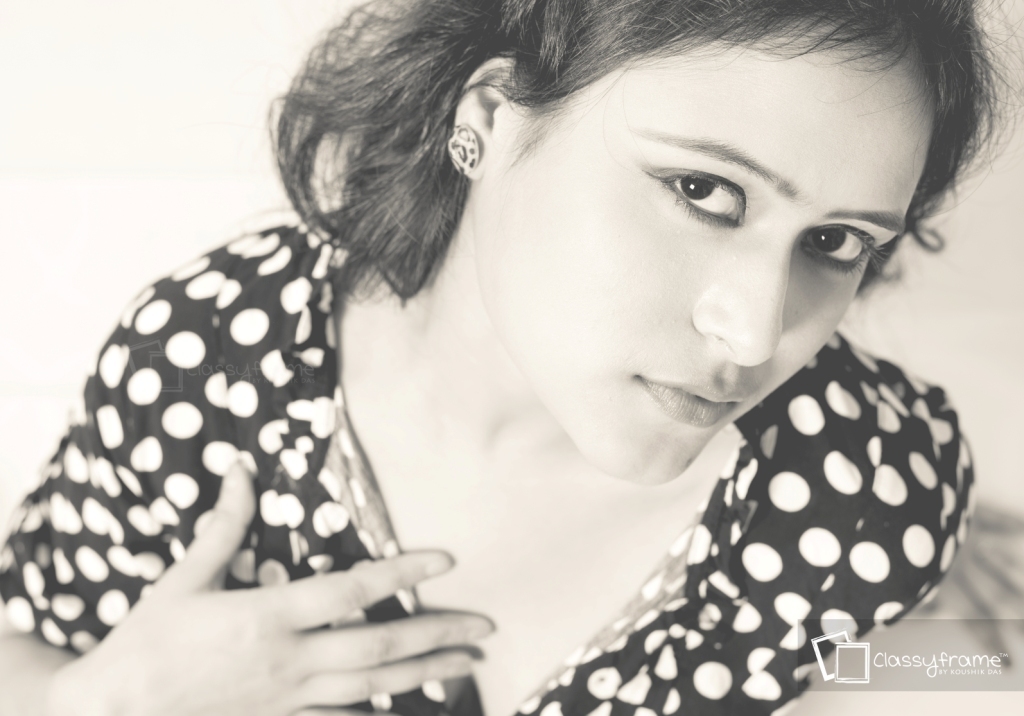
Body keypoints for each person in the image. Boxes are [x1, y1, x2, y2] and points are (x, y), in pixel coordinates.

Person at [0, 0, 1009, 714]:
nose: (754, 334)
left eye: (834, 241)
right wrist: (106, 700)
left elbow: (897, 668)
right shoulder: (211, 371)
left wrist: (945, 656)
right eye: (703, 192)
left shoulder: (866, 494)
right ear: (488, 118)